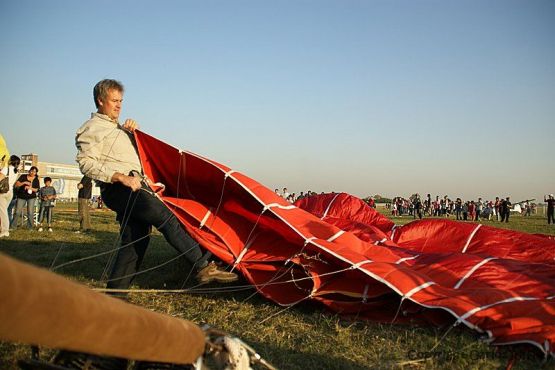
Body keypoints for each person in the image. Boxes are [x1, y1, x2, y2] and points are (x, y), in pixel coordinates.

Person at [75, 79, 237, 293]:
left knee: (136, 239)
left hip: (135, 186)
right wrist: (121, 177)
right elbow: (86, 163)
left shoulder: (120, 129)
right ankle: (204, 265)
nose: (119, 105)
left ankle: (116, 293)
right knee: (166, 217)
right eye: (114, 101)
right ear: (100, 100)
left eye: (121, 101)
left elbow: (134, 158)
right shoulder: (91, 128)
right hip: (120, 189)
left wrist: (133, 134)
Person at [1, 156, 20, 237]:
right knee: (4, 211)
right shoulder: (16, 171)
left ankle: (5, 231)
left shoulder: (6, 169)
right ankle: (4, 229)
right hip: (10, 192)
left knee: (3, 212)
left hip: (3, 192)